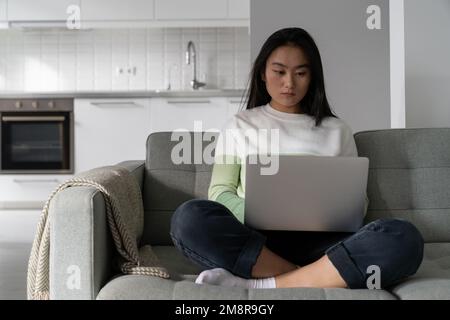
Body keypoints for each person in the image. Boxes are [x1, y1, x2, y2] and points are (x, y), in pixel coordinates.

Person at [170, 27, 424, 289]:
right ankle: (313, 276)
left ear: (313, 77)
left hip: (325, 243)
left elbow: (358, 203)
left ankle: (261, 284)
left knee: (404, 237)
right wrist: (262, 213)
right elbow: (220, 192)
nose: (289, 83)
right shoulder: (239, 125)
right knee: (188, 218)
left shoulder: (338, 130)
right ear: (262, 73)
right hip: (258, 243)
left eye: (301, 73)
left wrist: (331, 214)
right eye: (279, 72)